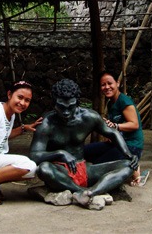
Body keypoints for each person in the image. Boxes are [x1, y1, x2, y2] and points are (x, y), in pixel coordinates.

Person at [29, 78, 139, 208]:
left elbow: (113, 133)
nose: (66, 112)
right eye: (61, 107)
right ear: (54, 103)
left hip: (84, 169)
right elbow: (34, 155)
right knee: (43, 169)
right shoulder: (47, 123)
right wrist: (59, 153)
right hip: (60, 172)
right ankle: (82, 191)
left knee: (128, 166)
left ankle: (90, 192)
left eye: (71, 107)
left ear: (77, 103)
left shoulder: (89, 117)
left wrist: (129, 154)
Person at [84, 70, 147, 186]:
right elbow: (114, 127)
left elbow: (134, 124)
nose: (106, 87)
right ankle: (130, 166)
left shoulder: (124, 101)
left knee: (99, 165)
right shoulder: (111, 103)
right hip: (117, 144)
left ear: (117, 83)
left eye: (110, 83)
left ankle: (133, 166)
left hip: (131, 147)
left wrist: (116, 126)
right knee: (84, 151)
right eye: (103, 85)